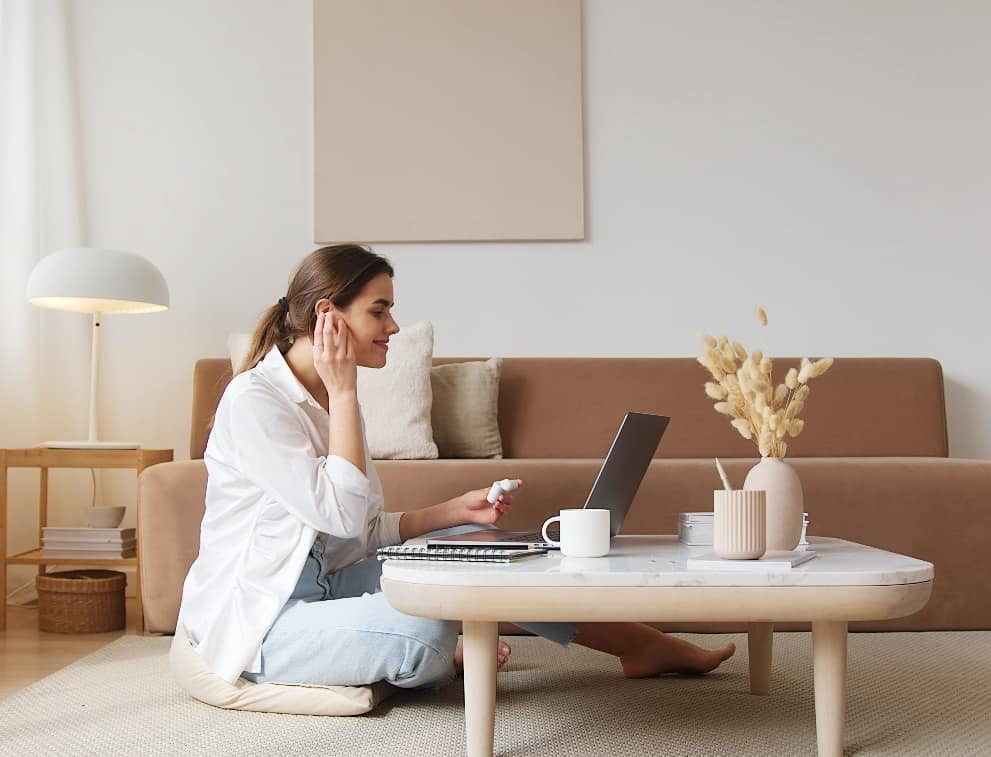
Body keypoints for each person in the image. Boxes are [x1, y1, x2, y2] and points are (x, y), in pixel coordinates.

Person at [177, 244, 735, 689]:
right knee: (426, 627)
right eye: (380, 309)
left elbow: (364, 532)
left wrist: (453, 512)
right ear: (328, 315)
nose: (393, 326)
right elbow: (345, 518)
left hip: (330, 582)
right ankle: (451, 645)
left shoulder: (331, 400)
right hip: (263, 618)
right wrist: (346, 394)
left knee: (487, 557)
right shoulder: (257, 402)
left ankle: (641, 645)